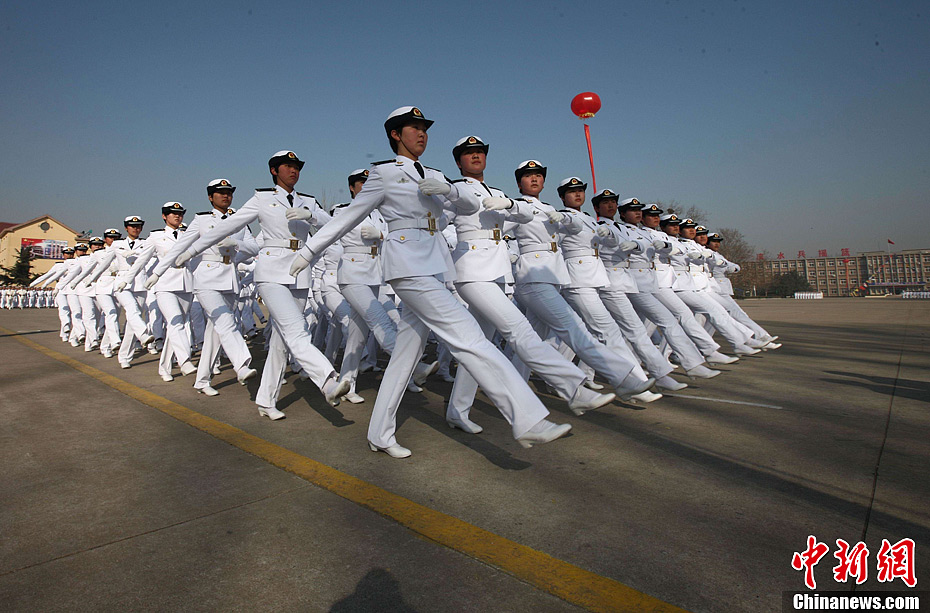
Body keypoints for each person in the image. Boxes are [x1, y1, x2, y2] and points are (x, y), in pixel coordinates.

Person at [289, 107, 572, 457]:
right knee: (469, 336)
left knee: (405, 356)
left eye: (425, 129)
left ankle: (379, 433)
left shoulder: (436, 174)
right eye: (414, 128)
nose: (422, 134)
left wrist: (449, 192)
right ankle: (527, 418)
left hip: (435, 266)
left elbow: (469, 203)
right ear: (395, 135)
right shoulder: (383, 174)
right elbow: (349, 216)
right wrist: (310, 251)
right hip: (407, 265)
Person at [442, 139, 617, 432]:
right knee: (519, 330)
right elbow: (439, 223)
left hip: (496, 273)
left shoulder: (498, 193)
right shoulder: (456, 190)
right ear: (459, 163)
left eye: (480, 152)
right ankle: (573, 388)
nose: (475, 156)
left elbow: (523, 214)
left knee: (479, 346)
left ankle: (458, 411)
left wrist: (510, 203)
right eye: (468, 154)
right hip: (471, 270)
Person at [175, 151, 350, 420]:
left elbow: (336, 226)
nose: (294, 171)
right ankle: (327, 381)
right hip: (271, 271)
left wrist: (312, 216)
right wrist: (190, 251)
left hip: (299, 271)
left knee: (282, 342)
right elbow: (225, 227)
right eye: (287, 166)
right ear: (274, 171)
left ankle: (266, 401)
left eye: (297, 167)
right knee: (297, 330)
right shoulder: (262, 199)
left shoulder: (309, 202)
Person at [506, 161, 659, 402]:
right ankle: (621, 378)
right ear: (518, 183)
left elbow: (575, 225)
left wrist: (566, 219)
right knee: (575, 328)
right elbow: (496, 232)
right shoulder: (516, 207)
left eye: (538, 176)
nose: (534, 179)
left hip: (553, 277)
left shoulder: (550, 209)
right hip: (532, 276)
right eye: (527, 176)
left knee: (532, 340)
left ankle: (513, 388)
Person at [149, 179, 260, 395]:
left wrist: (236, 245)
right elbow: (180, 246)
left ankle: (202, 380)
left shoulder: (239, 220)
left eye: (228, 192)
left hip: (229, 278)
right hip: (206, 278)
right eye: (220, 193)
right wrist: (157, 272)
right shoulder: (201, 220)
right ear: (211, 197)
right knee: (226, 322)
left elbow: (254, 246)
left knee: (215, 333)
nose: (225, 196)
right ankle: (242, 364)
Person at [125, 202, 198, 381]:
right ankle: (184, 360)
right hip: (165, 284)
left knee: (177, 326)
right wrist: (126, 279)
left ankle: (164, 368)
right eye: (173, 213)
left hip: (185, 284)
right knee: (175, 323)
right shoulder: (156, 237)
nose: (177, 216)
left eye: (180, 213)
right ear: (164, 216)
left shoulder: (188, 234)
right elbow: (142, 260)